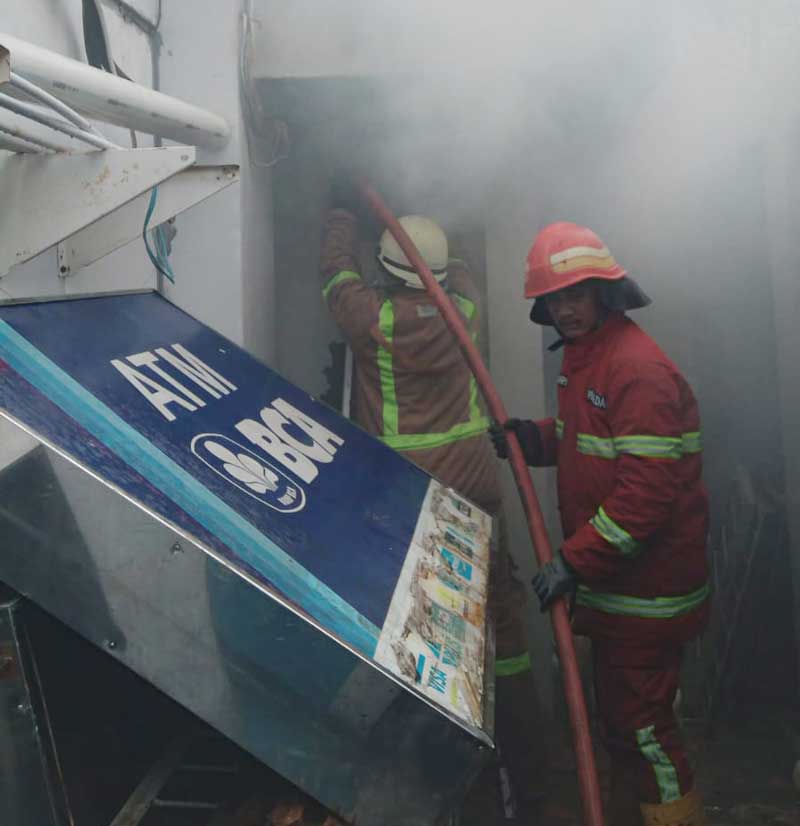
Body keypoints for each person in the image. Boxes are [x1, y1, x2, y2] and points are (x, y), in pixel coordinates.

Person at [319, 182, 548, 821]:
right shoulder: (465, 307)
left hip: (415, 491)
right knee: (500, 618)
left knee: (431, 631)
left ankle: (453, 779)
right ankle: (527, 767)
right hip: (478, 482)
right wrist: (436, 198)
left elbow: (335, 275)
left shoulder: (373, 318)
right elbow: (462, 265)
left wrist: (341, 211)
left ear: (387, 272)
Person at [491, 222, 710, 826]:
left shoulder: (635, 370)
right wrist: (532, 440)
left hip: (648, 595)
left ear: (604, 293)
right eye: (555, 299)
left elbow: (645, 495)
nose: (565, 310)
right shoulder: (587, 360)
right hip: (621, 591)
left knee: (644, 731)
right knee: (623, 727)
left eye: (577, 295)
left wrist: (573, 561)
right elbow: (584, 441)